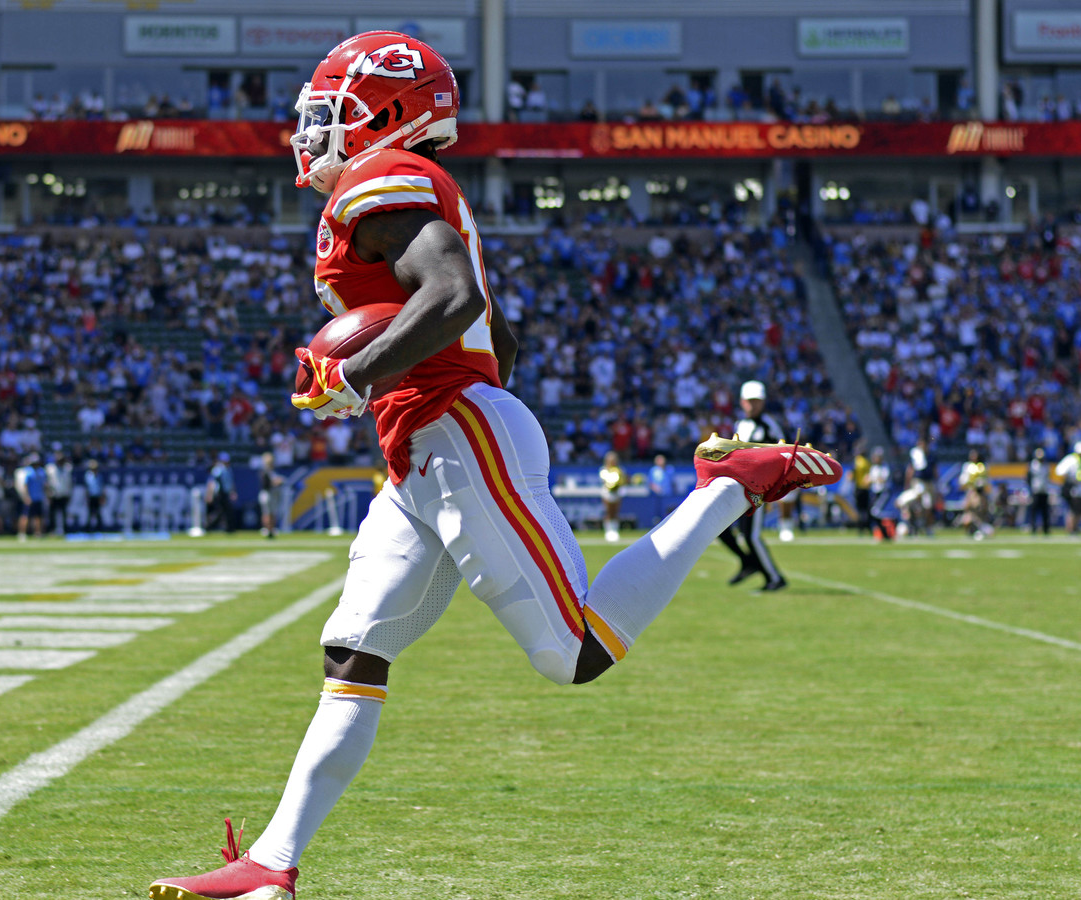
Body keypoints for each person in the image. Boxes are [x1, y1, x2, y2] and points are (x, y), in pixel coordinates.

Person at [147, 32, 843, 900]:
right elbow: (497, 335)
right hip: (427, 446)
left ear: (383, 111)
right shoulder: (408, 191)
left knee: (574, 653)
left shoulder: (377, 178)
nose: (311, 128)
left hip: (453, 435)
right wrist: (407, 388)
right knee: (354, 651)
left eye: (330, 110)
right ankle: (271, 866)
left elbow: (457, 300)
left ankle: (731, 483)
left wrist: (358, 375)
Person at [715, 380, 787, 591]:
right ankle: (748, 563)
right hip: (738, 486)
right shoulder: (740, 424)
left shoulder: (769, 425)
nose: (753, 405)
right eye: (750, 401)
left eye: (757, 401)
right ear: (742, 402)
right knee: (721, 528)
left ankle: (774, 578)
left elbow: (784, 454)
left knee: (752, 536)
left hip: (758, 488)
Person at [1054, 440, 1081, 535]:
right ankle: (1071, 528)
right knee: (1073, 510)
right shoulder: (1071, 460)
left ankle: (1076, 527)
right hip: (1074, 490)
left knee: (1080, 511)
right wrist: (1069, 480)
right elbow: (1059, 471)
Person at [957, 448, 992, 539]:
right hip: (971, 491)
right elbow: (962, 481)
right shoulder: (967, 466)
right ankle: (973, 529)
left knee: (980, 511)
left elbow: (986, 481)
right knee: (969, 514)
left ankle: (980, 529)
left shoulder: (983, 467)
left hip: (980, 492)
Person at [14, 453, 46, 542]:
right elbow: (25, 485)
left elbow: (44, 485)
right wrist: (26, 496)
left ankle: (38, 532)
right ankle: (21, 533)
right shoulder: (28, 472)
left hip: (38, 497)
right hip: (30, 498)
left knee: (38, 516)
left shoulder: (41, 472)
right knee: (25, 516)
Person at [205, 452, 237, 533]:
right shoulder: (218, 469)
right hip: (220, 493)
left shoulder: (228, 469)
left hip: (225, 492)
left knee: (225, 511)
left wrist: (232, 492)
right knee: (221, 511)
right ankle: (209, 525)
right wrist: (210, 494)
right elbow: (212, 482)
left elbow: (230, 483)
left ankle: (229, 528)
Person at [1027, 447, 1055, 536]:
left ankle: (1046, 528)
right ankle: (1033, 528)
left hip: (1044, 491)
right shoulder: (1032, 466)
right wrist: (1030, 488)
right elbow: (1028, 478)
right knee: (1034, 511)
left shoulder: (1046, 466)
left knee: (1045, 512)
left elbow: (1048, 478)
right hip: (1035, 490)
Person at [598, 450, 624, 542]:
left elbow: (621, 481)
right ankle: (608, 532)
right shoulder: (604, 470)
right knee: (608, 512)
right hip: (607, 493)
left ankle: (615, 531)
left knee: (615, 512)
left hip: (617, 493)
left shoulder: (619, 470)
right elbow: (606, 481)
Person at [256, 452, 283, 539]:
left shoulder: (272, 472)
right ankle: (267, 529)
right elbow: (266, 484)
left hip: (272, 494)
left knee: (272, 513)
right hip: (267, 494)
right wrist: (276, 482)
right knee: (267, 513)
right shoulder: (265, 471)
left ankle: (271, 529)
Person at [46, 451, 74, 535]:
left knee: (64, 513)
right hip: (53, 494)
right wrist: (48, 494)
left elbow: (70, 482)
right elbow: (47, 483)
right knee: (52, 514)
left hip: (64, 493)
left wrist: (69, 493)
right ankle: (52, 530)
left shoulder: (68, 468)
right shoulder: (50, 468)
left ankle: (65, 530)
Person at [82, 459, 105, 532]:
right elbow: (86, 487)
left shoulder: (99, 476)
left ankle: (99, 528)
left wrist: (102, 496)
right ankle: (88, 528)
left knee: (98, 512)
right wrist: (86, 497)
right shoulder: (88, 476)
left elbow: (101, 487)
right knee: (90, 513)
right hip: (91, 496)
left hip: (97, 496)